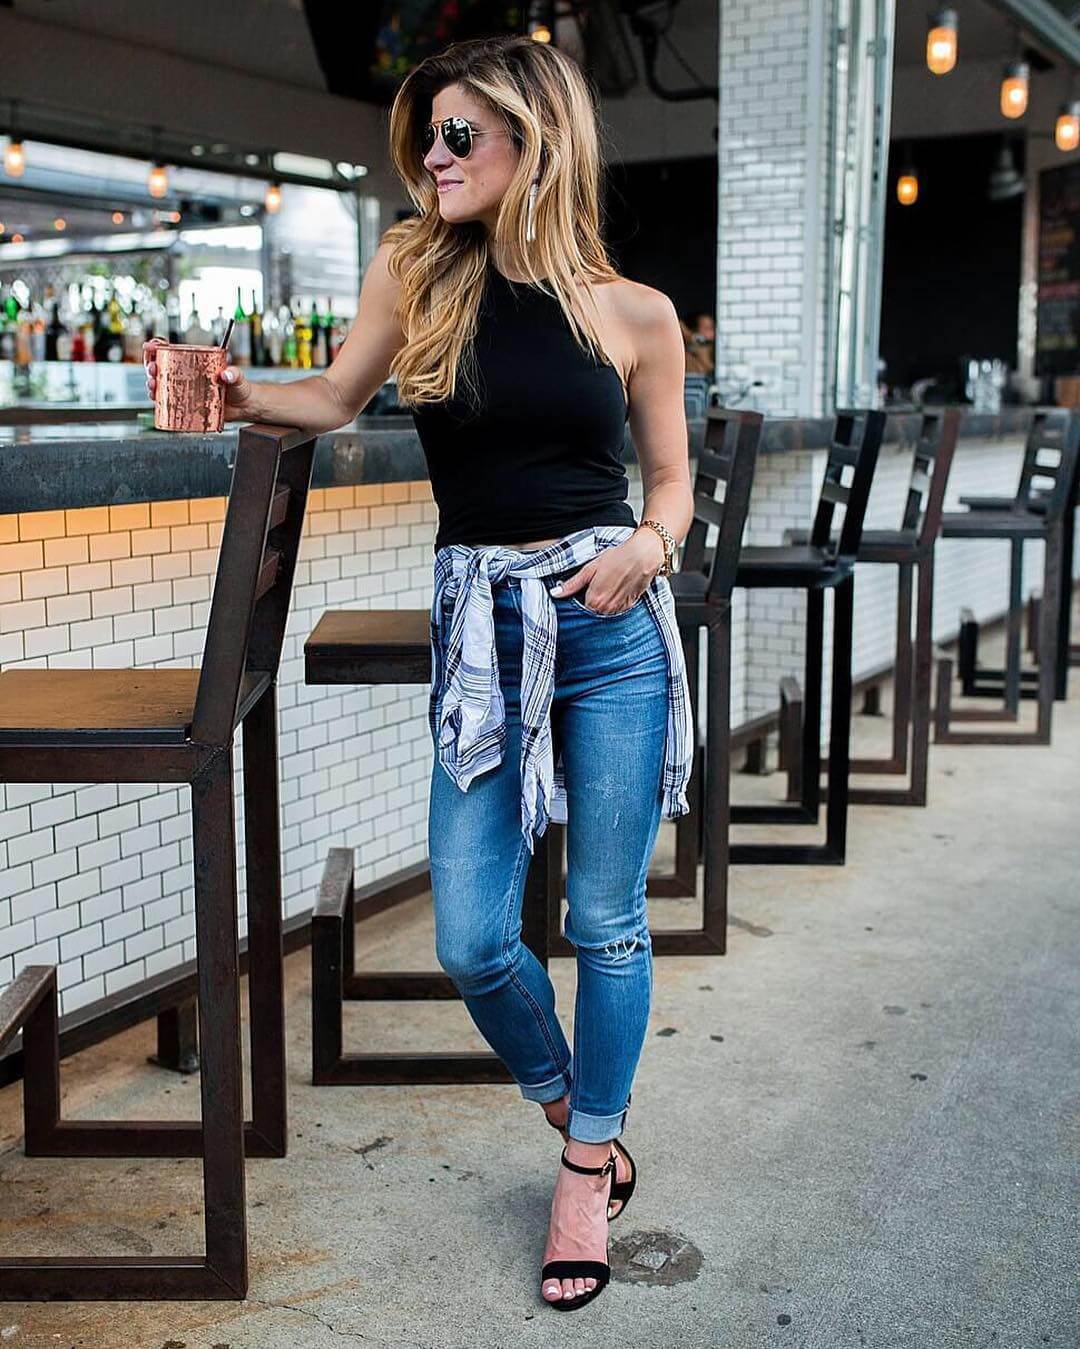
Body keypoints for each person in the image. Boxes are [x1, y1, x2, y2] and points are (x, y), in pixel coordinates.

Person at [145, 33, 694, 1313]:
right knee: (472, 938)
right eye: (429, 136)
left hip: (608, 627)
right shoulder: (416, 269)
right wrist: (231, 395)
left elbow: (668, 482)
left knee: (606, 920)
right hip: (486, 631)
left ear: (536, 144)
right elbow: (336, 400)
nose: (434, 158)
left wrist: (652, 546)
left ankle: (576, 1173)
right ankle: (587, 1119)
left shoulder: (635, 312)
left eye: (462, 136)